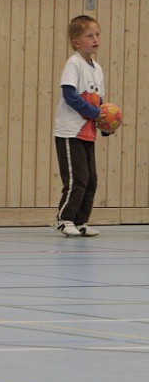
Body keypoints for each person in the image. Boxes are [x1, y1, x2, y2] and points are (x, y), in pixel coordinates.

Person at [53, 15, 107, 237]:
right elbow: (70, 95)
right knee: (77, 179)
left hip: (87, 132)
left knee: (91, 179)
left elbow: (101, 102)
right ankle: (64, 219)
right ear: (76, 42)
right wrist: (95, 113)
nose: (95, 39)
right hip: (69, 132)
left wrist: (105, 122)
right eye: (89, 35)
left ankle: (80, 221)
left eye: (97, 34)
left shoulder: (98, 69)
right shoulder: (74, 63)